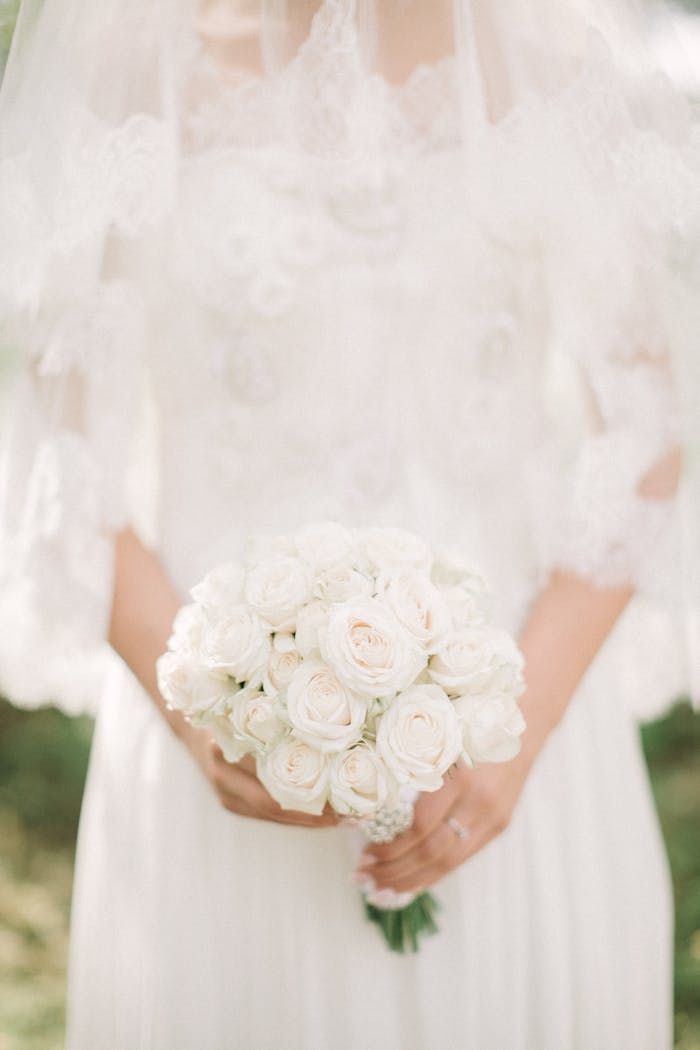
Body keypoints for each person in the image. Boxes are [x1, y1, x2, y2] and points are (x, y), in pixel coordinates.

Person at [0, 1, 699, 1047]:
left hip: (520, 751)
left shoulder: (555, 63)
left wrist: (509, 741)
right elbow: (64, 461)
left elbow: (651, 428)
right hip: (212, 767)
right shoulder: (122, 67)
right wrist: (207, 720)